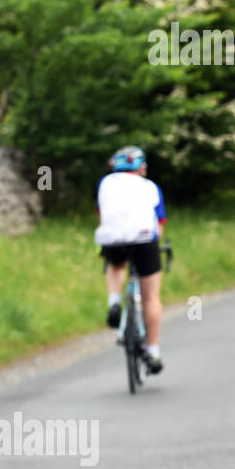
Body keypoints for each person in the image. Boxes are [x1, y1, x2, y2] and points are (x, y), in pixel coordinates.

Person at [96, 146, 166, 373]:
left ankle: (114, 300)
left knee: (115, 264)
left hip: (112, 239)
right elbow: (159, 224)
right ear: (141, 167)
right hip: (144, 240)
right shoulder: (150, 187)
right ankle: (153, 351)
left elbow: (103, 216)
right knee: (151, 297)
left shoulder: (104, 184)